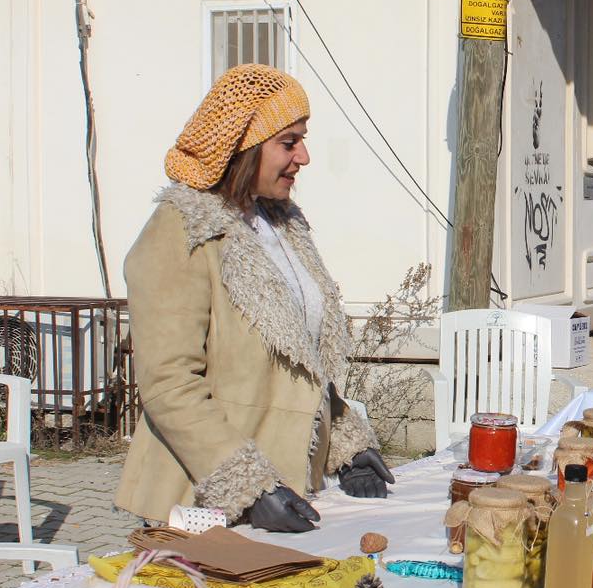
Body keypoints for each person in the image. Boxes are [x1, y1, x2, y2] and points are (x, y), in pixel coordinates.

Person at [115, 64, 394, 533]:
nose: (303, 156)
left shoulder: (281, 226)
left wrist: (346, 444)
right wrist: (251, 486)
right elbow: (169, 386)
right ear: (242, 147)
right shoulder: (183, 231)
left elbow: (300, 368)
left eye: (302, 140)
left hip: (285, 495)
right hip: (205, 503)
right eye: (288, 142)